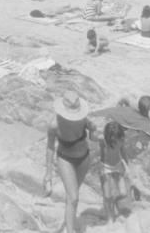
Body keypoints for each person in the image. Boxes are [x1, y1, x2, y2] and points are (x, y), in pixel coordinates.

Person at [44, 92, 97, 233]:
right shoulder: (54, 124)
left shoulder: (83, 119)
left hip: (84, 158)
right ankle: (71, 230)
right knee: (73, 197)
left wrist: (93, 130)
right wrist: (48, 174)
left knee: (72, 197)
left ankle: (69, 225)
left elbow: (93, 138)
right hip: (65, 159)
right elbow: (50, 147)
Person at [99, 121, 130, 222]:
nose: (115, 141)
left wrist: (127, 166)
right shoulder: (103, 141)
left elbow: (124, 153)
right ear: (108, 137)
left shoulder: (121, 140)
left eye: (117, 139)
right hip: (106, 167)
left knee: (123, 193)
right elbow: (101, 154)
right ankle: (109, 215)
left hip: (118, 166)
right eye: (112, 140)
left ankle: (115, 201)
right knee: (107, 195)